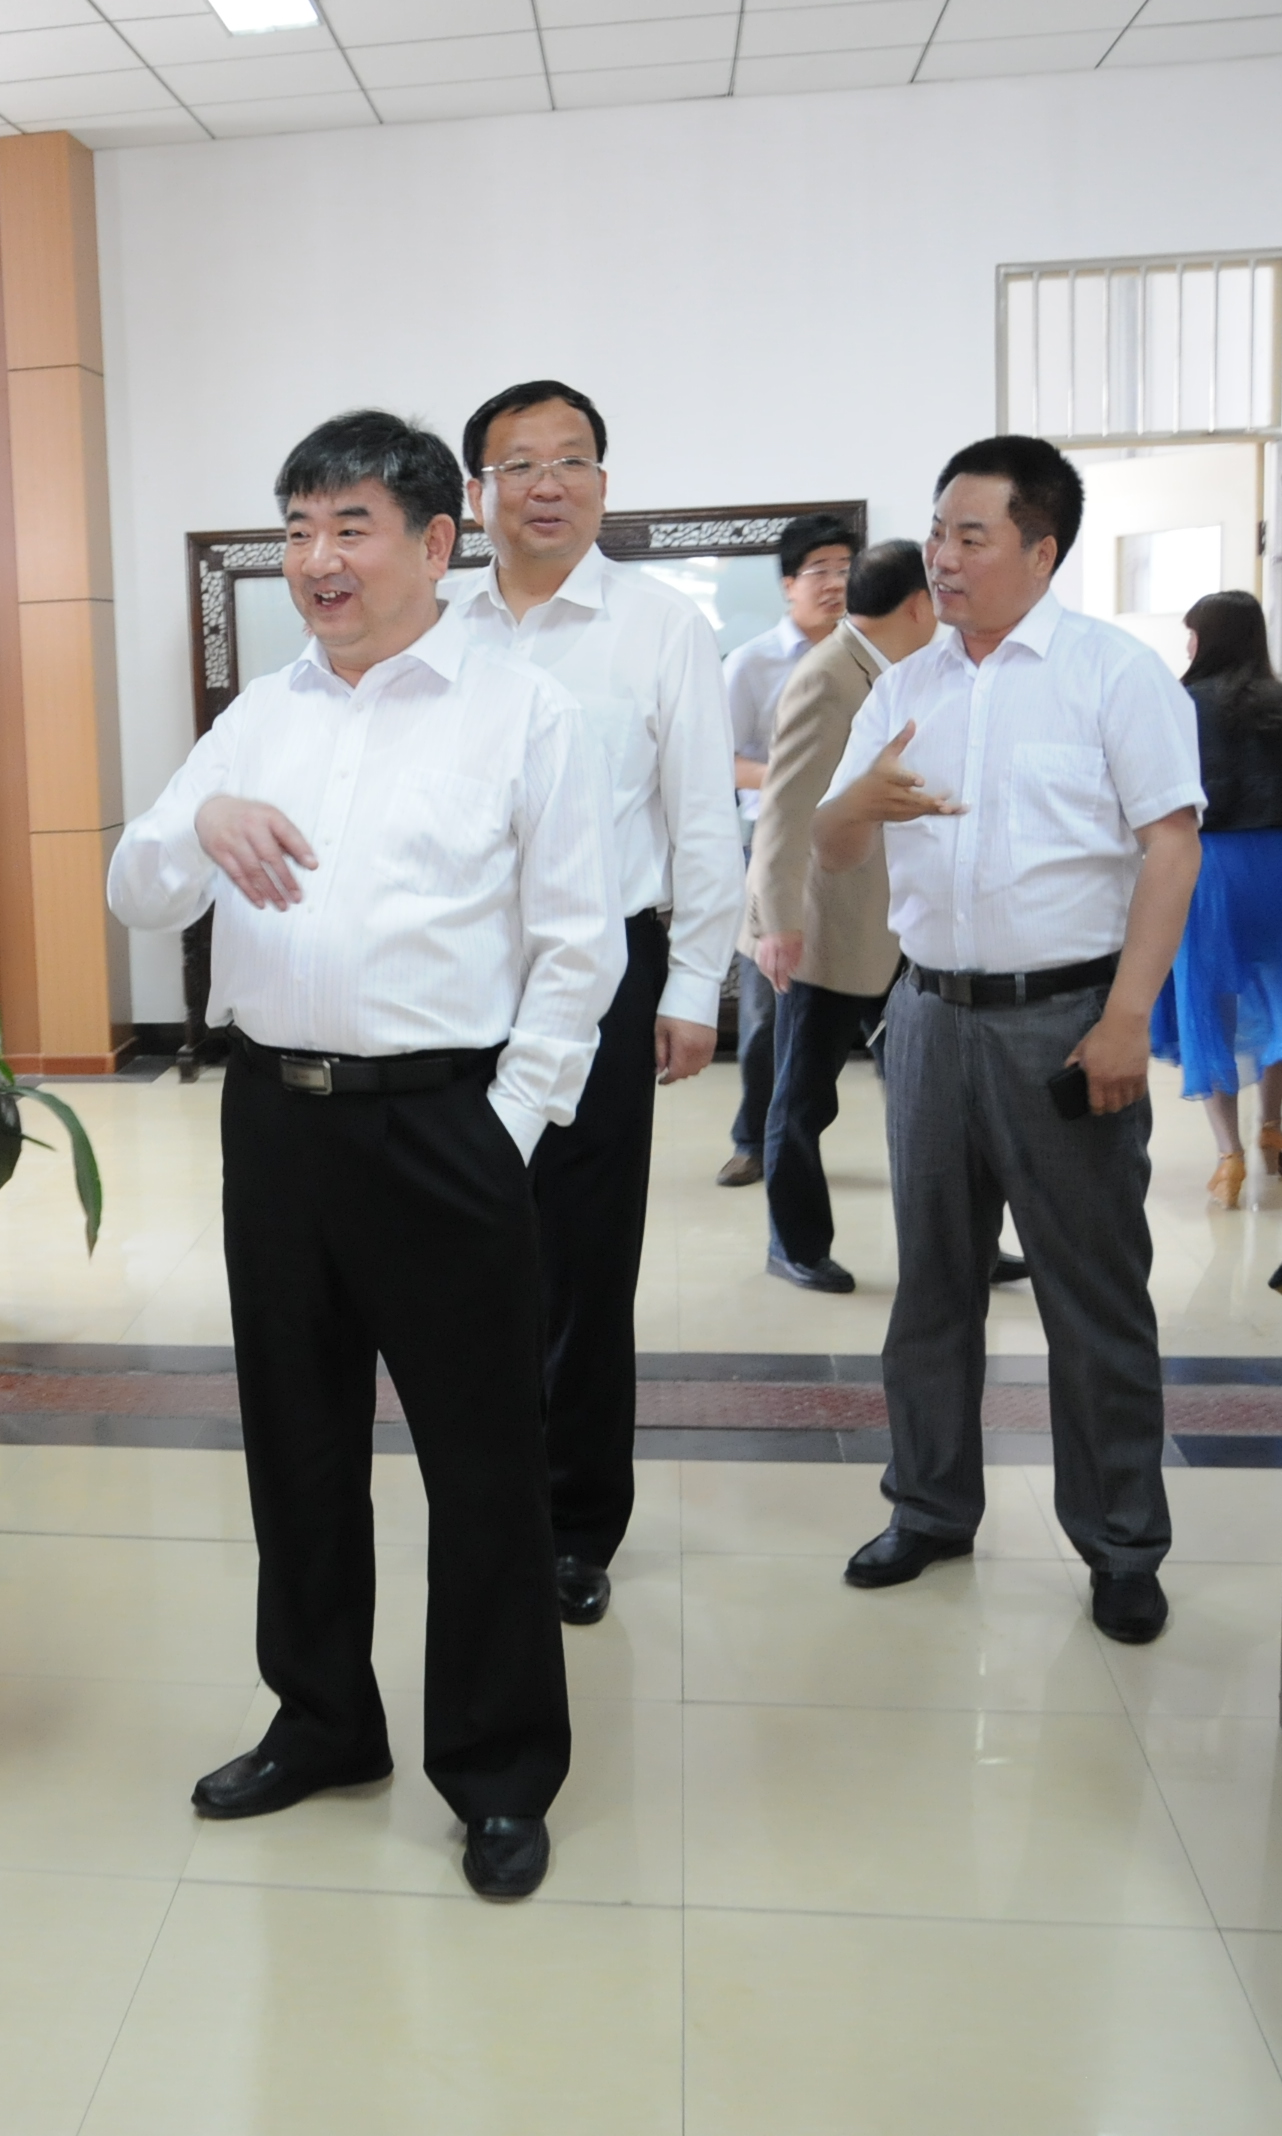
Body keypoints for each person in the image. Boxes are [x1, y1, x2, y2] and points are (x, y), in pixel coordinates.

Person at [107, 410, 619, 1900]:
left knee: (484, 1465)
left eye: (349, 528)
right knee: (298, 1445)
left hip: (443, 1122)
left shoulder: (523, 713)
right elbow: (138, 888)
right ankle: (324, 1719)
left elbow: (577, 948)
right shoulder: (258, 717)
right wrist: (202, 819)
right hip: (275, 1123)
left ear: (435, 542)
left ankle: (499, 1770)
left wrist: (505, 1129)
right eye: (297, 530)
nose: (317, 561)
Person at [813, 435, 1202, 1643]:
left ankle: (1122, 1544)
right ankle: (929, 1507)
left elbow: (1172, 847)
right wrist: (851, 807)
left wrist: (1127, 1019)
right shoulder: (906, 686)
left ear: (1042, 548)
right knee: (932, 1286)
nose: (942, 556)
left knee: (1093, 1296)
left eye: (970, 536)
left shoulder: (1113, 675)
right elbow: (834, 843)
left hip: (1068, 1021)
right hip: (929, 1016)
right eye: (938, 532)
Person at [441, 381, 738, 1629]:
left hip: (607, 977)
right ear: (478, 494)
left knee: (581, 1259)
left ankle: (574, 1523)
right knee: (465, 1251)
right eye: (517, 464)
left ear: (604, 486)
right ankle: (485, 1503)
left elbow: (702, 816)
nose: (545, 484)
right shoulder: (437, 624)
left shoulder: (660, 628)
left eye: (569, 461)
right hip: (457, 984)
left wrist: (696, 984)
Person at [742, 538, 926, 1290]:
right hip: (824, 929)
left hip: (901, 923)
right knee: (803, 1100)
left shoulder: (900, 669)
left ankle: (963, 1247)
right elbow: (783, 811)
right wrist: (777, 923)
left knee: (928, 1095)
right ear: (919, 604)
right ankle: (794, 1244)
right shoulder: (827, 677)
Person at [1146, 589, 1282, 1205]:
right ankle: (1272, 1125)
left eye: (1192, 634)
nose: (1187, 645)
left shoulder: (1178, 705)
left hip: (1207, 869)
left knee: (1209, 999)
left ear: (1206, 640)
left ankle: (1229, 1156)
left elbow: (1150, 798)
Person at [716, 513, 858, 1187]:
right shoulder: (751, 664)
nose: (834, 583)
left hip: (857, 850)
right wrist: (792, 777)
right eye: (819, 571)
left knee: (846, 1003)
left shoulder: (870, 659)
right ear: (787, 585)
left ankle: (803, 1138)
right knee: (768, 1006)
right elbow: (718, 761)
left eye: (845, 570)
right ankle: (754, 1140)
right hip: (774, 849)